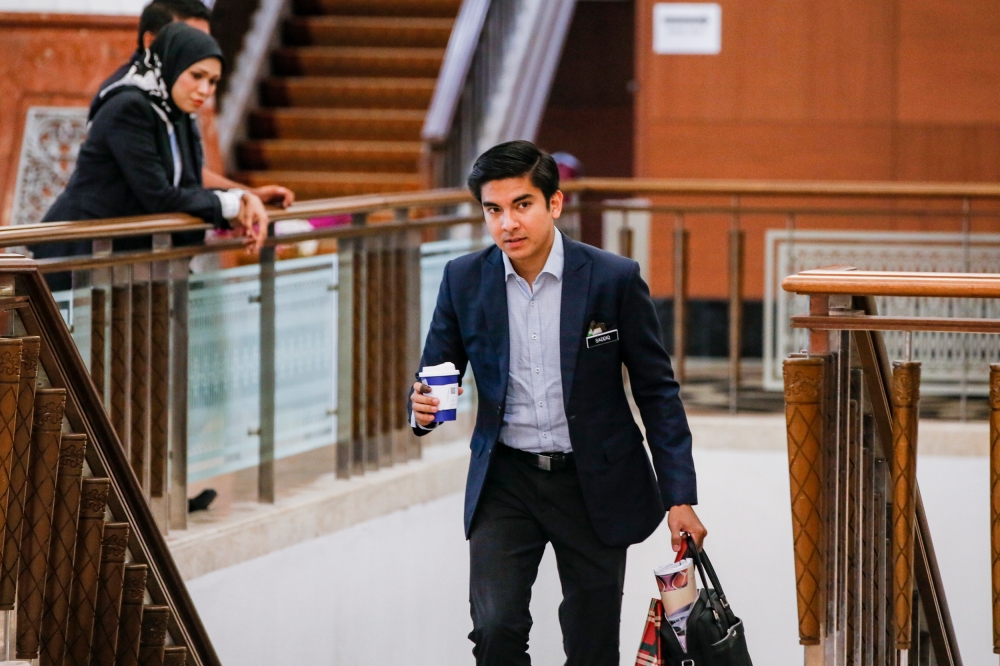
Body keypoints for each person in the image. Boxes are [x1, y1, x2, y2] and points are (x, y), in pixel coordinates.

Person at [408, 140, 707, 665]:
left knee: (591, 648)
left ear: (554, 204)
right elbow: (439, 374)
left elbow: (657, 391)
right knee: (496, 631)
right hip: (506, 479)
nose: (508, 224)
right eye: (493, 210)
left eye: (521, 205)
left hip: (594, 482)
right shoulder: (464, 279)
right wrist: (425, 407)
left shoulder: (613, 278)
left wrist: (678, 494)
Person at [92, 0, 294, 207]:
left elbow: (189, 172)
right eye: (188, 42)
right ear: (151, 43)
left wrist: (249, 195)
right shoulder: (129, 101)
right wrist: (232, 206)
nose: (200, 53)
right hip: (95, 234)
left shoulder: (177, 90)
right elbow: (159, 194)